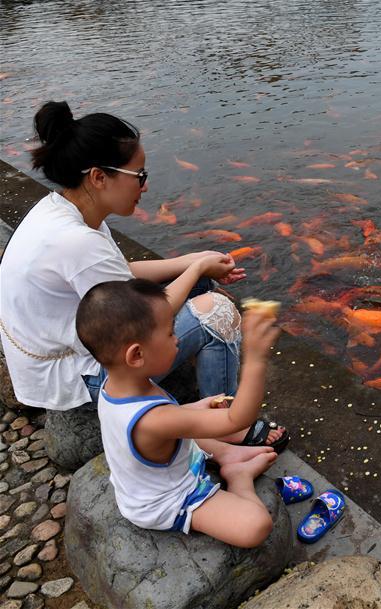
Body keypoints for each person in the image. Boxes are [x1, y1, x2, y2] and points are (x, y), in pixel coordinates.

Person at [0, 100, 286, 454]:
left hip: (68, 345)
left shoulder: (64, 210)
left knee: (194, 284)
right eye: (140, 176)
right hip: (78, 378)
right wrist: (196, 267)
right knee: (218, 313)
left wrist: (190, 261)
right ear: (99, 177)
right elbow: (140, 315)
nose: (145, 187)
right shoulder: (77, 242)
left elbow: (121, 274)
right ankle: (220, 428)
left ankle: (202, 391)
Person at [77, 279, 279, 547]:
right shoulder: (156, 421)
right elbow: (236, 420)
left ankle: (228, 455)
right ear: (136, 355)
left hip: (148, 475)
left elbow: (169, 419)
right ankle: (239, 477)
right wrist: (255, 359)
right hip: (167, 500)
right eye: (171, 333)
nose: (177, 340)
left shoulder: (113, 385)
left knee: (190, 426)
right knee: (256, 525)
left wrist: (195, 408)